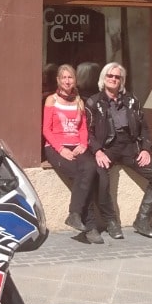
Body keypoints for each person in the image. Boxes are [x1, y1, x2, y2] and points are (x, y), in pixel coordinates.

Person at [86, 61, 152, 238]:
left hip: (131, 147)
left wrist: (146, 149)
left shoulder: (132, 101)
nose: (114, 79)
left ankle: (143, 220)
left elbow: (144, 128)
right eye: (110, 76)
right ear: (103, 78)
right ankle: (111, 222)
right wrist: (98, 151)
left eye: (118, 77)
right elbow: (88, 132)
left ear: (122, 80)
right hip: (107, 148)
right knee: (101, 180)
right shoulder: (93, 102)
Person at [42, 64, 103, 243]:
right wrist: (61, 150)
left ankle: (74, 214)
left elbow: (83, 128)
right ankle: (91, 226)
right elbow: (46, 130)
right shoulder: (51, 100)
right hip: (55, 147)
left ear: (75, 80)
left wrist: (83, 144)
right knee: (83, 176)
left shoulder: (79, 100)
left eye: (70, 77)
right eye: (64, 78)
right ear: (58, 81)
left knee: (90, 167)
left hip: (76, 145)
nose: (67, 81)